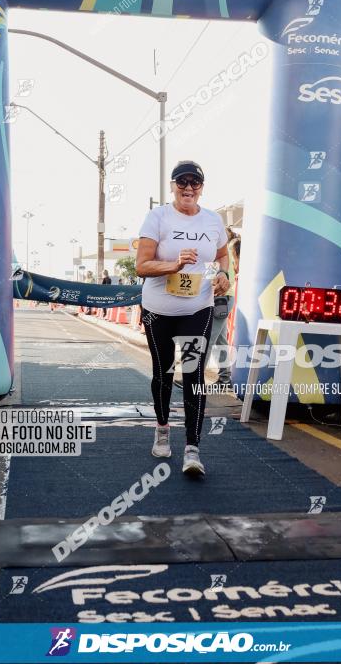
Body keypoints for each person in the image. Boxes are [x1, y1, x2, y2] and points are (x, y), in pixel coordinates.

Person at [136, 161, 229, 476]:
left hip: (197, 309)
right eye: (182, 182)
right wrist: (173, 265)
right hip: (158, 311)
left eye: (195, 183)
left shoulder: (213, 220)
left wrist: (225, 274)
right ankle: (163, 428)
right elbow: (142, 265)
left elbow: (223, 255)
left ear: (202, 186)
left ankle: (193, 448)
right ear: (173, 185)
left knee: (194, 375)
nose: (189, 188)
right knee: (162, 375)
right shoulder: (157, 217)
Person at [205, 229, 240, 387]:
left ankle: (194, 378)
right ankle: (225, 378)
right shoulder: (222, 254)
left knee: (208, 339)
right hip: (224, 298)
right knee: (220, 340)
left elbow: (210, 281)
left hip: (220, 299)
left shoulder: (218, 255)